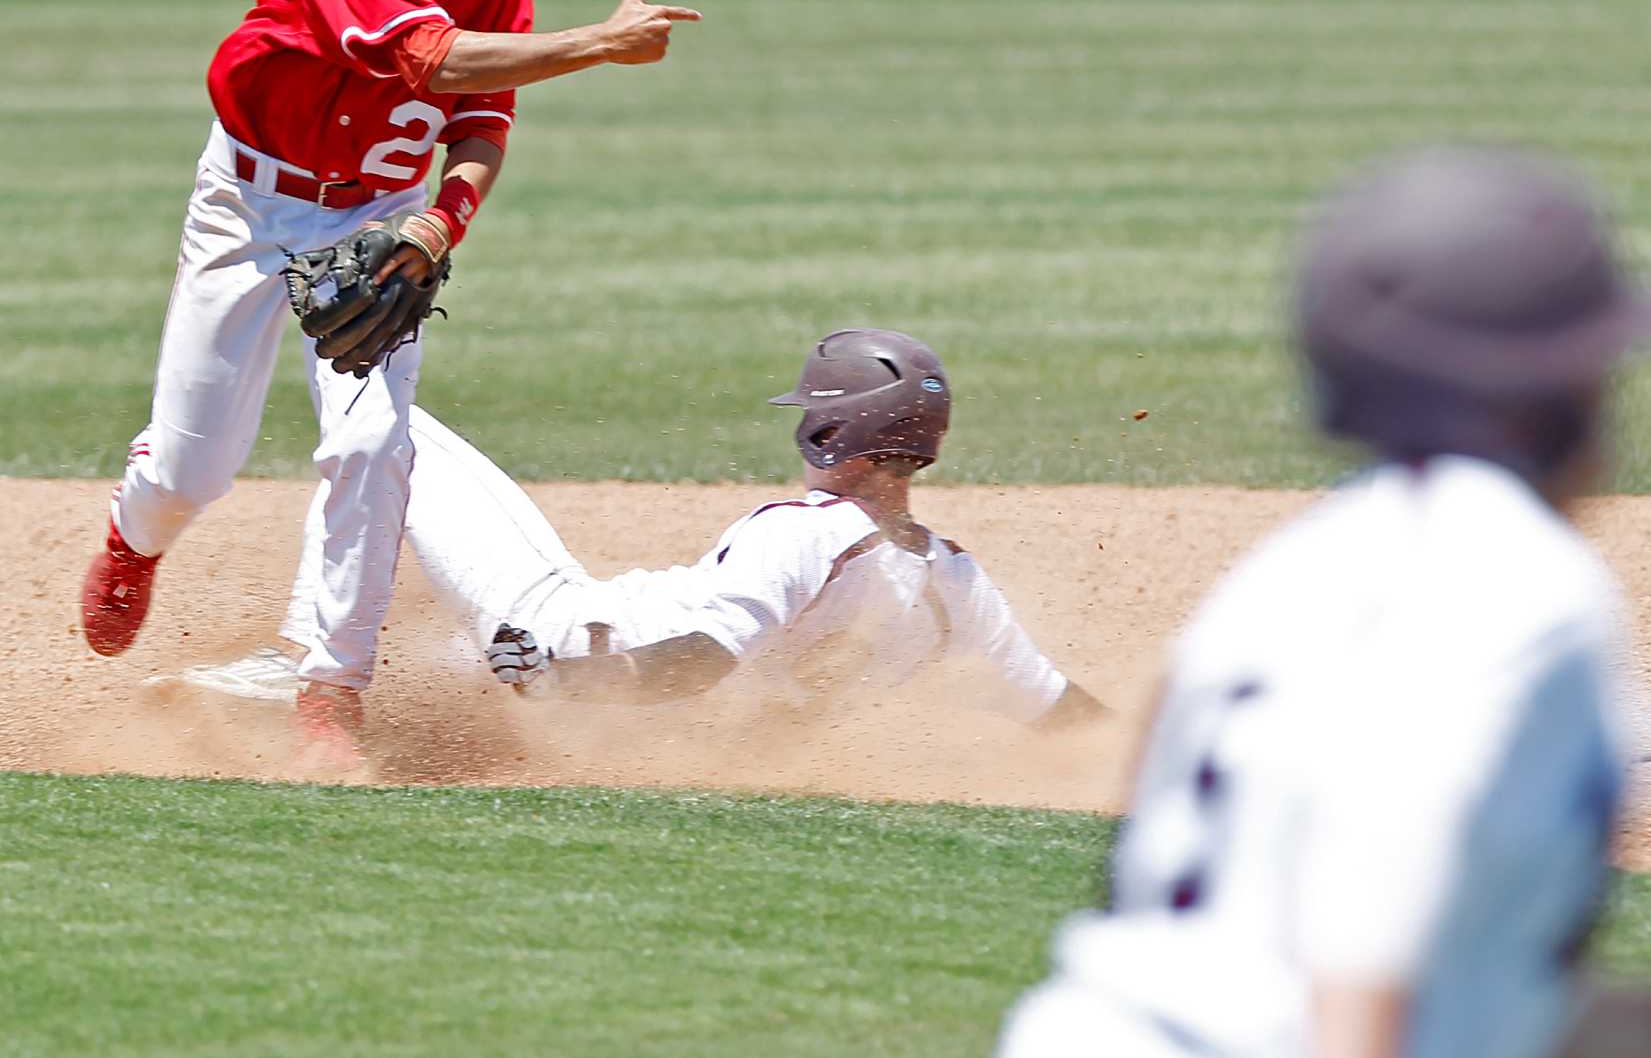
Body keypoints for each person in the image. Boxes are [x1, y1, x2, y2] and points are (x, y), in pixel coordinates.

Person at [989, 149, 1651, 1058]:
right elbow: (1367, 899)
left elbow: (1470, 1031)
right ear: (1539, 394)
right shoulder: (1509, 583)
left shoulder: (1292, 567)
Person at [81, 0, 703, 771]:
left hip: (371, 219)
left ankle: (331, 690)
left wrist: (435, 221)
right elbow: (431, 56)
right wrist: (597, 42)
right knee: (194, 467)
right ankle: (134, 533)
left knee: (373, 445)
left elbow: (482, 120)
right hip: (248, 199)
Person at [159, 330, 1107, 746]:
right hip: (594, 681)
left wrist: (550, 682)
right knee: (433, 673)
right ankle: (308, 701)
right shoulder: (955, 586)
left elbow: (696, 660)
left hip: (561, 640)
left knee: (381, 416)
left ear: (831, 429)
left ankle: (300, 663)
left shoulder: (808, 534)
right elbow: (1062, 711)